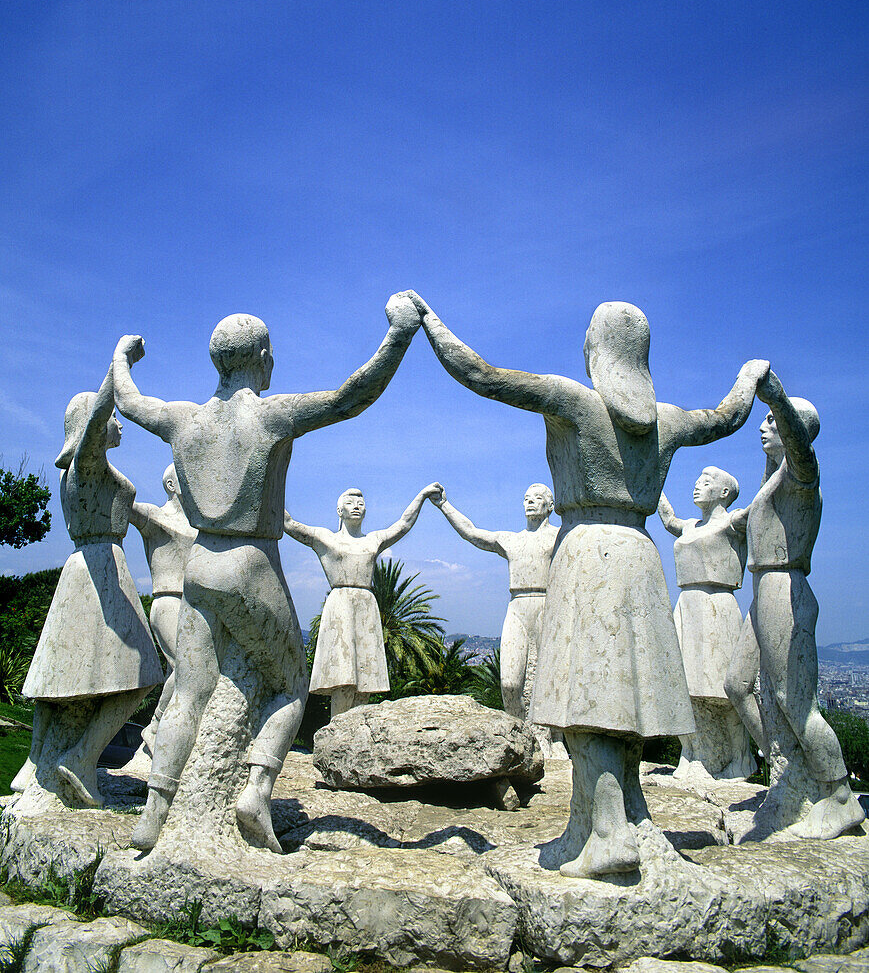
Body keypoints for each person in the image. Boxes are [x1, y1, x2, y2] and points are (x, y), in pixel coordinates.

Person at [402, 290, 768, 878]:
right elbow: (726, 416)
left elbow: (481, 374)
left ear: (596, 349)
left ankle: (605, 834)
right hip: (641, 557)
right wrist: (750, 378)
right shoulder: (667, 419)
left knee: (591, 699)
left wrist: (428, 322)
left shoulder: (573, 400)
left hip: (587, 553)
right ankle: (615, 816)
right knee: (623, 699)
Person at [112, 297, 421, 853]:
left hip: (198, 566)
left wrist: (120, 356)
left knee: (187, 691)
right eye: (270, 353)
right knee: (289, 684)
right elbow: (352, 396)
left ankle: (154, 814)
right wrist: (399, 334)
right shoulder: (271, 414)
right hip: (251, 564)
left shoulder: (184, 420)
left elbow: (130, 401)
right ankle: (256, 788)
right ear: (260, 356)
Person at [724, 371, 865, 839]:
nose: (763, 426)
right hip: (763, 588)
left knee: (794, 700)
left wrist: (775, 397)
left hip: (786, 587)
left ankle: (839, 795)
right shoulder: (774, 481)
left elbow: (800, 449)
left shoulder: (803, 474)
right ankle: (790, 774)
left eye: (772, 421)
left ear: (792, 431)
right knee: (737, 684)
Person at [12, 367, 161, 807]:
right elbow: (98, 422)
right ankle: (82, 757)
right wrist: (119, 369)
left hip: (85, 569)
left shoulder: (83, 472)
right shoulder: (87, 466)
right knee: (144, 675)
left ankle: (34, 760)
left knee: (59, 676)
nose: (119, 425)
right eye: (114, 418)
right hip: (101, 569)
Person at [284, 482, 442, 718]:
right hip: (340, 605)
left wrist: (421, 496)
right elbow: (288, 523)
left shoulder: (373, 540)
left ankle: (357, 737)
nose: (356, 506)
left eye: (360, 503)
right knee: (343, 681)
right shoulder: (325, 538)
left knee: (365, 682)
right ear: (340, 511)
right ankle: (337, 734)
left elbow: (403, 524)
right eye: (349, 503)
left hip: (366, 606)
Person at [430, 484, 561, 751]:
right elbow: (472, 533)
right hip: (517, 606)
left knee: (547, 679)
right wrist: (444, 505)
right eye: (526, 498)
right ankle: (521, 738)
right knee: (510, 683)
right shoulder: (511, 540)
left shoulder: (560, 537)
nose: (530, 502)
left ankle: (551, 739)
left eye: (537, 498)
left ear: (551, 505)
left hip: (548, 605)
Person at [658, 467, 753, 779]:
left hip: (718, 607)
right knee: (685, 688)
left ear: (724, 492)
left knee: (725, 689)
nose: (697, 485)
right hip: (687, 606)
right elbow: (668, 518)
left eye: (707, 481)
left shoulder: (733, 521)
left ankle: (740, 758)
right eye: (697, 480)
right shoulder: (689, 525)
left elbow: (764, 504)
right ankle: (693, 752)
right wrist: (644, 470)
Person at [129, 463, 197, 757]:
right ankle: (155, 727)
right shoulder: (154, 517)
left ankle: (176, 730)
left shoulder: (199, 525)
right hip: (168, 600)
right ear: (171, 485)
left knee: (194, 670)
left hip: (196, 605)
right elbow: (121, 502)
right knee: (185, 667)